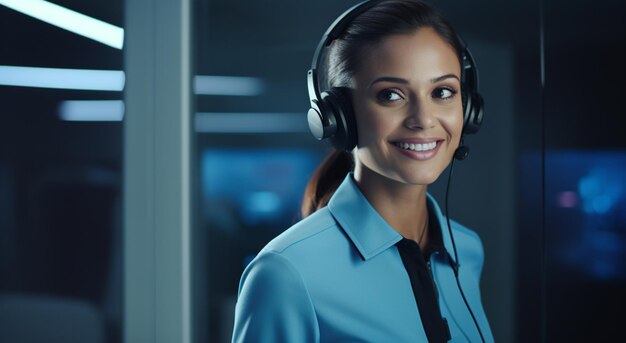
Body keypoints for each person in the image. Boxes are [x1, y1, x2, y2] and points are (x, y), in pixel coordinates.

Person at [232, 0, 493, 342]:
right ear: (340, 117)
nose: (424, 119)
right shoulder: (286, 272)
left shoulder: (466, 249)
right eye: (391, 95)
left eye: (442, 92)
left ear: (467, 107)